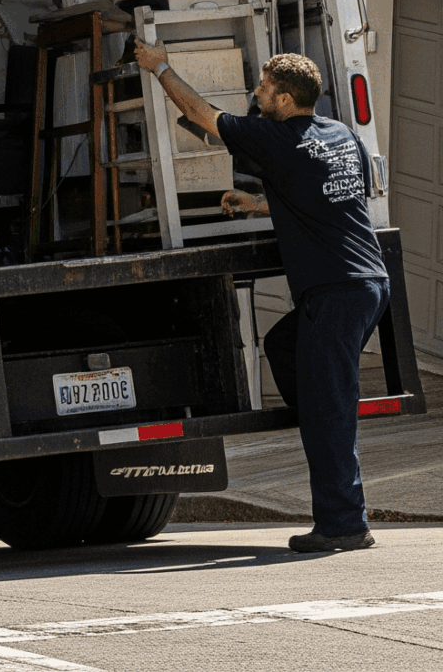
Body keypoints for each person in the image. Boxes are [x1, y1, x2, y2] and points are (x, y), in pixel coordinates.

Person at [131, 43, 389, 553]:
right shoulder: (339, 135)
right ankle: (319, 417)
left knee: (330, 410)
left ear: (286, 99)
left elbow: (199, 114)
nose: (257, 93)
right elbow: (323, 193)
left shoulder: (275, 137)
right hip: (367, 283)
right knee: (283, 345)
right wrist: (257, 202)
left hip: (336, 291)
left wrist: (158, 65)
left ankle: (343, 524)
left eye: (265, 88)